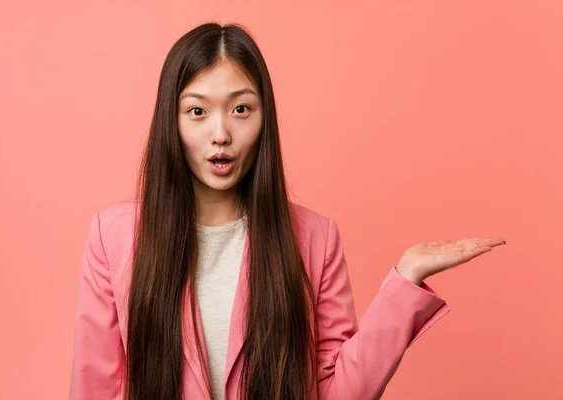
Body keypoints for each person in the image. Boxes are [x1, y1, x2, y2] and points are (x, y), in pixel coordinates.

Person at [69, 22, 506, 400]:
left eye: (241, 109)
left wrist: (405, 281)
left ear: (265, 120)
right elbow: (95, 388)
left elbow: (337, 391)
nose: (220, 133)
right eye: (197, 111)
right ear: (172, 120)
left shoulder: (315, 239)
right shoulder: (115, 237)